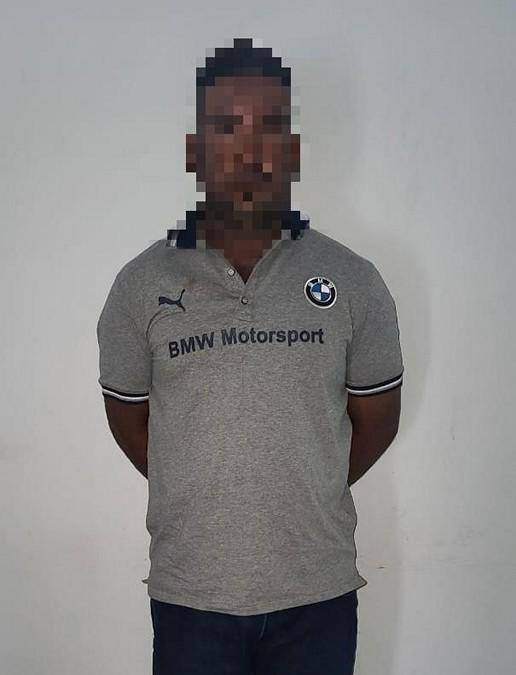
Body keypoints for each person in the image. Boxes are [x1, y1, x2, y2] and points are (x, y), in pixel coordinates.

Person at [96, 37, 404, 675]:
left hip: (317, 597)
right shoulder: (140, 284)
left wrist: (304, 482)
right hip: (191, 599)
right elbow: (129, 421)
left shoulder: (354, 280)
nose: (248, 149)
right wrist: (201, 482)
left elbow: (377, 419)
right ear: (195, 151)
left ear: (292, 150)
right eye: (226, 127)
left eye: (268, 126)